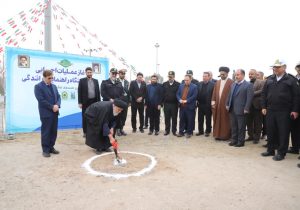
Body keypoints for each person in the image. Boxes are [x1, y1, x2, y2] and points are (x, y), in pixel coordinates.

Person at [261, 59, 299, 161]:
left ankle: (281, 153)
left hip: (284, 111)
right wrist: (264, 106)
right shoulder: (269, 79)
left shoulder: (291, 80)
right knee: (271, 130)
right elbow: (264, 94)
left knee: (283, 132)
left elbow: (296, 96)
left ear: (284, 67)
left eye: (277, 67)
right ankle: (270, 150)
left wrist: (295, 110)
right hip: (270, 110)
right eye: (274, 67)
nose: (275, 69)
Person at [34, 69, 61, 157]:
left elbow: (59, 97)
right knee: (46, 131)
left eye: (52, 78)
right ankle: (45, 150)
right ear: (44, 77)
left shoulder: (54, 86)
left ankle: (51, 147)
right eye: (49, 78)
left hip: (55, 113)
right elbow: (41, 100)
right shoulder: (38, 87)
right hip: (46, 113)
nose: (51, 80)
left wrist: (57, 105)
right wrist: (52, 107)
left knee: (53, 131)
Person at [226, 69, 253, 147]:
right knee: (234, 126)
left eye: (238, 75)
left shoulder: (248, 85)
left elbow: (249, 98)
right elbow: (229, 95)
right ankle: (234, 140)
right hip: (232, 109)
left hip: (242, 109)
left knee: (241, 127)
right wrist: (227, 104)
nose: (236, 76)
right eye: (235, 75)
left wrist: (246, 108)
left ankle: (241, 142)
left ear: (243, 75)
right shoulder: (233, 84)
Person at [211, 66, 234, 140]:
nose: (222, 76)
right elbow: (214, 93)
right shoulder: (217, 82)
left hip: (226, 105)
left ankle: (225, 136)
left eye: (223, 74)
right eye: (220, 74)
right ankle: (217, 135)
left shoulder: (231, 82)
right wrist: (213, 102)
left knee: (226, 121)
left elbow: (232, 95)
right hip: (218, 105)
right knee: (217, 119)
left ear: (227, 74)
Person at [78, 67, 100, 137]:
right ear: (86, 73)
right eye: (88, 72)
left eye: (90, 72)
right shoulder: (82, 81)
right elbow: (79, 92)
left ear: (92, 73)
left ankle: (92, 131)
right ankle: (85, 132)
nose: (89, 73)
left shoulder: (96, 81)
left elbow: (98, 92)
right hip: (85, 102)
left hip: (94, 102)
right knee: (85, 117)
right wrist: (80, 102)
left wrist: (99, 102)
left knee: (94, 117)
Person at [100, 68, 124, 134]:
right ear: (109, 74)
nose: (114, 75)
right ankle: (107, 132)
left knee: (117, 117)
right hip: (108, 103)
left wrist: (118, 100)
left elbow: (122, 93)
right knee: (108, 119)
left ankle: (117, 130)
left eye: (115, 74)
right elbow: (102, 93)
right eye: (113, 73)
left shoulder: (119, 83)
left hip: (117, 103)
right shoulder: (104, 82)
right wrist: (109, 99)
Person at [245, 69, 265, 144]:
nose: (250, 75)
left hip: (257, 106)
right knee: (249, 122)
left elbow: (262, 91)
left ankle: (257, 138)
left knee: (258, 123)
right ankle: (250, 136)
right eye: (249, 74)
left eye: (252, 74)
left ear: (256, 74)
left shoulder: (262, 82)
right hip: (248, 106)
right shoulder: (246, 83)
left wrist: (251, 93)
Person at [196, 72, 215, 137]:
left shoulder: (213, 85)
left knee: (208, 119)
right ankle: (200, 131)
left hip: (208, 105)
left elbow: (214, 95)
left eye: (205, 76)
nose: (204, 77)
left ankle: (207, 131)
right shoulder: (199, 84)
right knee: (200, 119)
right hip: (200, 104)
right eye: (203, 76)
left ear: (209, 77)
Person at [162, 71, 180, 136]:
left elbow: (179, 94)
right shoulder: (164, 84)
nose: (170, 78)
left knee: (174, 118)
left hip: (174, 104)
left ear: (174, 77)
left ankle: (174, 131)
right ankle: (167, 130)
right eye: (169, 77)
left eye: (171, 77)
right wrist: (161, 103)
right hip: (166, 104)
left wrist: (179, 104)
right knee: (167, 118)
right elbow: (162, 94)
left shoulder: (178, 84)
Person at [288, 62, 300, 155]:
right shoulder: (294, 78)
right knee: (294, 129)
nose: (299, 69)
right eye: (298, 67)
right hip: (294, 107)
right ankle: (295, 148)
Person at [116, 69, 130, 136]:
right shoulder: (116, 81)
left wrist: (130, 101)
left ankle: (121, 129)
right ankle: (118, 129)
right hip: (118, 101)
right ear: (119, 74)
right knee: (118, 116)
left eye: (124, 74)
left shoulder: (127, 82)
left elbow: (129, 92)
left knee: (124, 116)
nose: (123, 75)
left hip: (125, 101)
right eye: (122, 74)